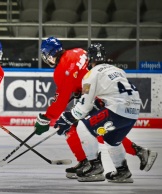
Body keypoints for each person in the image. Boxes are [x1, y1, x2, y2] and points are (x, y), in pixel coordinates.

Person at [33, 37, 157, 179]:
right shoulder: (79, 51)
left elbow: (62, 100)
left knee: (83, 128)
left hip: (101, 99)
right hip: (119, 101)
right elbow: (80, 76)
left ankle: (92, 164)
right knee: (103, 132)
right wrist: (78, 90)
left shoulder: (65, 70)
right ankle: (130, 157)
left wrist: (48, 118)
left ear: (48, 55)